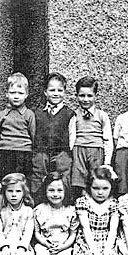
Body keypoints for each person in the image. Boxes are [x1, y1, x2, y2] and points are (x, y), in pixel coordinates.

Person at [30, 72, 76, 204]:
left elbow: (72, 136)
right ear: (45, 92)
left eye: (59, 90)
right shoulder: (37, 113)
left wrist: (67, 154)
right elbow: (33, 134)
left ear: (64, 92)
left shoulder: (69, 114)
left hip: (62, 155)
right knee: (39, 180)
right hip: (42, 154)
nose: (56, 93)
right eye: (52, 90)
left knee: (62, 182)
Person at [68, 76, 113, 199]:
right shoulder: (73, 114)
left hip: (96, 150)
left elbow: (108, 139)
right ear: (76, 96)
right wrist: (71, 153)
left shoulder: (102, 115)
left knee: (97, 178)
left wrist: (107, 161)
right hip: (79, 149)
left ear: (96, 96)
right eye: (82, 96)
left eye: (89, 96)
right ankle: (82, 202)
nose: (85, 99)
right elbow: (71, 134)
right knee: (79, 180)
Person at [0, 72, 36, 180]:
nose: (16, 96)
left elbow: (33, 134)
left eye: (20, 93)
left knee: (24, 182)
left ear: (26, 94)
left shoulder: (29, 114)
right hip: (6, 153)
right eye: (12, 93)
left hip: (24, 153)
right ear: (6, 94)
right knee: (6, 180)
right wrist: (4, 145)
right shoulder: (1, 115)